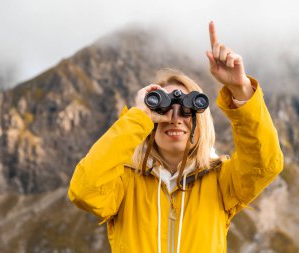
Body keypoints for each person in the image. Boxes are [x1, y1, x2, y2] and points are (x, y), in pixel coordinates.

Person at [68, 21, 283, 253]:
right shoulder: (124, 183)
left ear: (200, 121)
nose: (175, 117)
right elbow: (84, 190)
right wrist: (139, 116)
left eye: (186, 110)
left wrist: (240, 89)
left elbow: (265, 164)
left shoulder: (222, 181)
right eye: (164, 109)